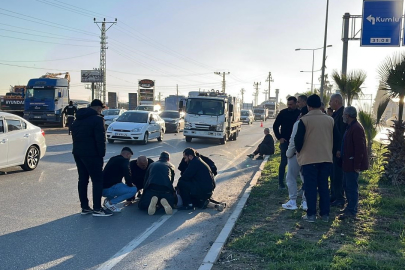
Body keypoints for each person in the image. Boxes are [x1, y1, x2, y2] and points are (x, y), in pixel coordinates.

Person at [295, 94, 334, 223]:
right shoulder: (330, 120)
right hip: (326, 158)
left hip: (309, 159)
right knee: (323, 186)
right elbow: (336, 138)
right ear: (320, 105)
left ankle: (311, 214)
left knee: (310, 187)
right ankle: (325, 214)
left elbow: (298, 140)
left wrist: (299, 152)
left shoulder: (304, 120)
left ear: (308, 106)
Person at [71, 99, 111, 217]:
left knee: (83, 180)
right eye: (101, 108)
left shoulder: (78, 118)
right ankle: (97, 209)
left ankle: (85, 207)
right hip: (92, 154)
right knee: (97, 180)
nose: (101, 110)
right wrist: (101, 154)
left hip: (78, 152)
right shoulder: (98, 119)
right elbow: (100, 139)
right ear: (99, 108)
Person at [339, 106, 369, 220]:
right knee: (346, 186)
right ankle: (349, 207)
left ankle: (352, 211)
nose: (343, 116)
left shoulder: (356, 128)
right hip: (347, 163)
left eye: (344, 114)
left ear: (348, 115)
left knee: (352, 187)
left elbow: (359, 148)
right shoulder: (350, 127)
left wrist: (357, 165)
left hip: (352, 164)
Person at [282, 105, 308, 211]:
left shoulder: (299, 123)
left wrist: (289, 153)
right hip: (308, 155)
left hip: (296, 154)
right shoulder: (314, 123)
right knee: (306, 179)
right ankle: (306, 202)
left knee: (291, 177)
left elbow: (293, 140)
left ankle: (292, 201)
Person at [273, 96, 300, 189]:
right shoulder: (283, 113)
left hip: (297, 142)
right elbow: (275, 126)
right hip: (285, 141)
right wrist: (279, 137)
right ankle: (281, 183)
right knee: (284, 162)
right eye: (288, 104)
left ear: (296, 104)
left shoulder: (300, 113)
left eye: (291, 104)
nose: (289, 106)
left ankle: (296, 183)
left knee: (298, 162)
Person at [102, 147, 137, 212]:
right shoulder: (125, 161)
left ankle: (108, 200)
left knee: (120, 184)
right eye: (130, 156)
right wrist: (130, 184)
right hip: (110, 189)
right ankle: (110, 203)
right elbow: (127, 174)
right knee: (133, 189)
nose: (130, 158)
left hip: (102, 188)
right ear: (127, 155)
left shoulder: (113, 158)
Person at [329, 94, 347, 208]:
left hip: (338, 151)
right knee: (333, 174)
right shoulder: (336, 114)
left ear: (336, 101)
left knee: (338, 175)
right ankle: (334, 195)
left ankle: (339, 198)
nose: (329, 103)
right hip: (334, 150)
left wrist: (339, 149)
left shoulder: (342, 115)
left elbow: (341, 134)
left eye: (331, 101)